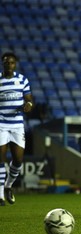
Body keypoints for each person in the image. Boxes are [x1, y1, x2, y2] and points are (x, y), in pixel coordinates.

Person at [0, 52, 34, 206]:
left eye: (11, 63)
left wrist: (28, 105)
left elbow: (28, 99)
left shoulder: (22, 80)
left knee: (18, 160)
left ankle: (8, 186)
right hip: (1, 123)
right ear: (3, 63)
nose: (9, 65)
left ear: (15, 64)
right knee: (0, 158)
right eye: (6, 62)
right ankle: (0, 193)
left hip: (17, 125)